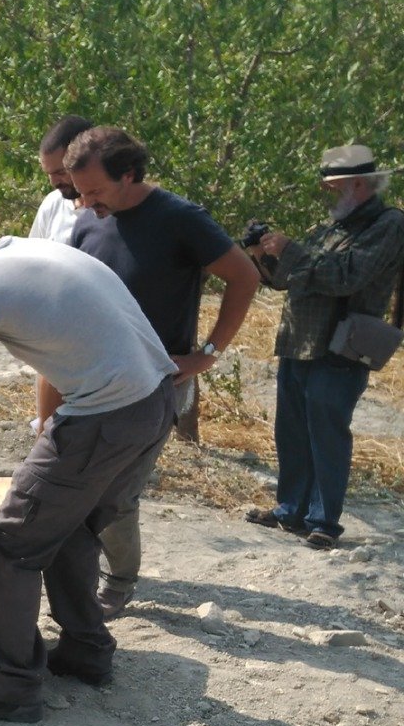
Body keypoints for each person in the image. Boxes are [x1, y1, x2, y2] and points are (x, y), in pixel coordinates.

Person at [0, 200, 177, 723]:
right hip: (157, 400)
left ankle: (10, 692)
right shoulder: (47, 250)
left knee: (11, 541)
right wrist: (52, 436)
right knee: (69, 526)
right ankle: (85, 653)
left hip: (106, 415)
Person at [64, 126, 259, 617]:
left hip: (155, 384)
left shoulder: (180, 219)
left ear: (129, 175)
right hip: (90, 381)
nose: (84, 203)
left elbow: (245, 276)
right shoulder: (88, 223)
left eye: (94, 191)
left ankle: (119, 580)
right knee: (77, 483)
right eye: (78, 192)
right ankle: (83, 573)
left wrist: (208, 353)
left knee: (116, 491)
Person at [244, 143, 404, 551]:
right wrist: (260, 253)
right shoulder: (330, 228)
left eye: (335, 186)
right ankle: (290, 509)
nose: (329, 193)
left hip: (341, 346)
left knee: (327, 434)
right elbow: (286, 279)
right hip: (300, 342)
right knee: (292, 432)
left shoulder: (389, 225)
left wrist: (290, 251)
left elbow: (347, 276)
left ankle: (323, 521)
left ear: (359, 184)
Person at [28, 115, 93, 243]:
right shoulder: (52, 204)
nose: (54, 182)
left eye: (60, 172)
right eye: (49, 174)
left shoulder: (111, 208)